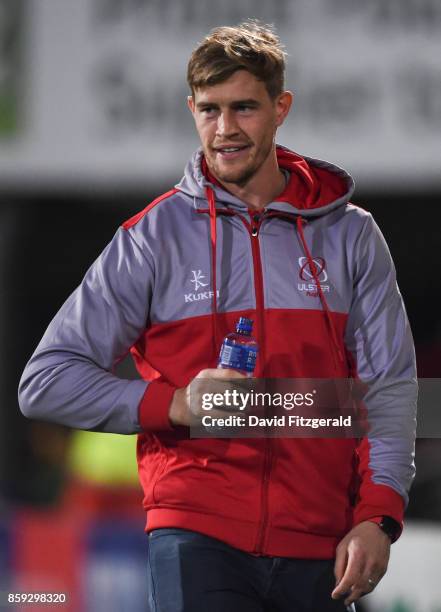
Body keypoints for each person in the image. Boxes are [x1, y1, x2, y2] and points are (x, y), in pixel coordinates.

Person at [18, 20, 417, 612]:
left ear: (281, 108)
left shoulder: (351, 236)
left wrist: (379, 517)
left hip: (321, 541)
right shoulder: (151, 239)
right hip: (196, 532)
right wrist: (176, 404)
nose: (225, 129)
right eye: (209, 109)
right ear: (191, 110)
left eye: (244, 108)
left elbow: (390, 387)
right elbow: (44, 381)